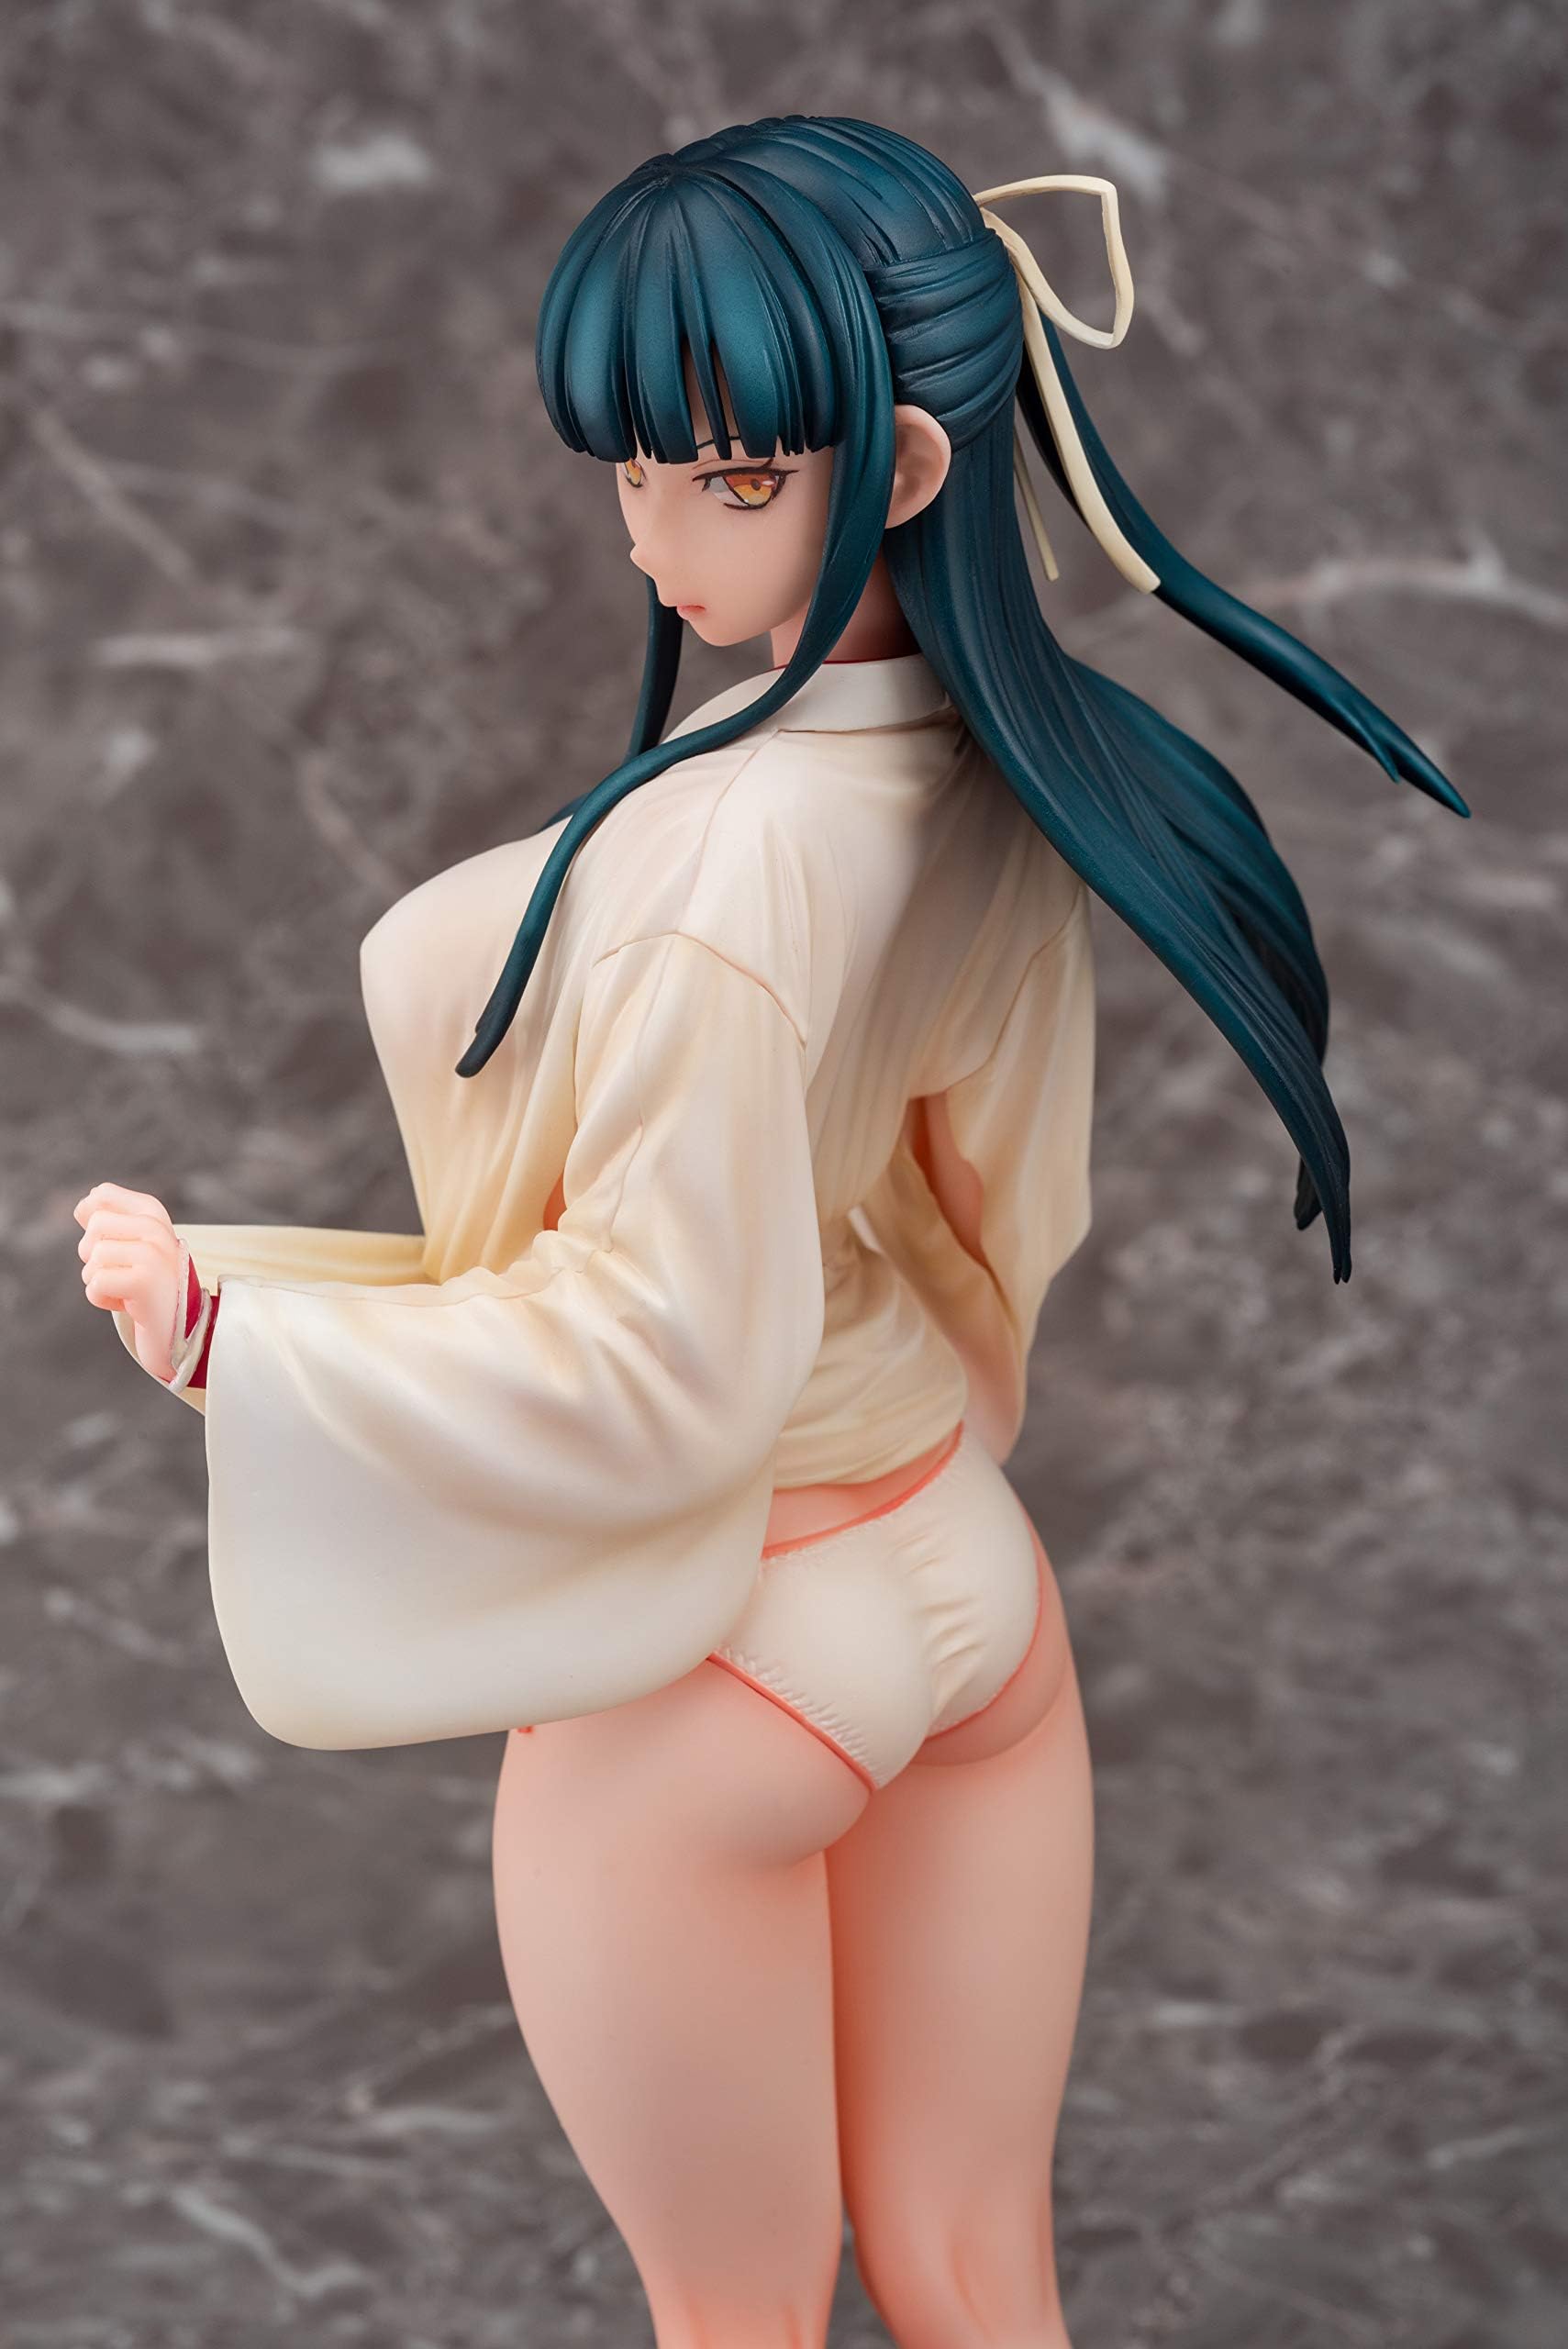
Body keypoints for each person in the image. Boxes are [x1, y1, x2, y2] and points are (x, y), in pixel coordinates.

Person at [73, 115, 1466, 2349]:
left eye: (722, 477)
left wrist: (237, 1327)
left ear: (902, 466)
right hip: (962, 1575)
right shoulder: (1008, 764)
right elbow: (994, 1182)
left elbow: (649, 1356)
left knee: (735, 2316)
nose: (650, 536)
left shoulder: (728, 859)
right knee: (980, 2271)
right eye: (632, 473)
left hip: (731, 1654)